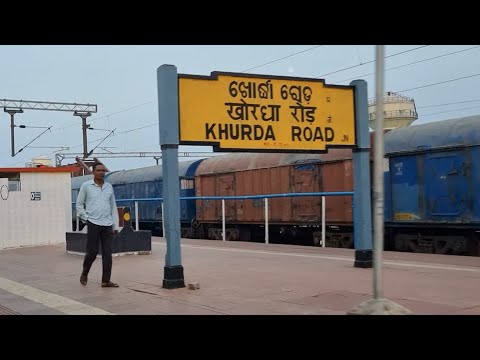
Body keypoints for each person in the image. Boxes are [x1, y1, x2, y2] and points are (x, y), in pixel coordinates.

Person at [76, 162, 120, 288]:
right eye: (98, 170)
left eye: (103, 170)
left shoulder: (109, 187)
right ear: (93, 172)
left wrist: (115, 225)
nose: (101, 172)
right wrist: (86, 218)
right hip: (93, 223)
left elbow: (113, 206)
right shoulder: (86, 186)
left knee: (107, 253)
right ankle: (85, 272)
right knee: (92, 251)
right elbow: (79, 204)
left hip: (107, 224)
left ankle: (106, 281)